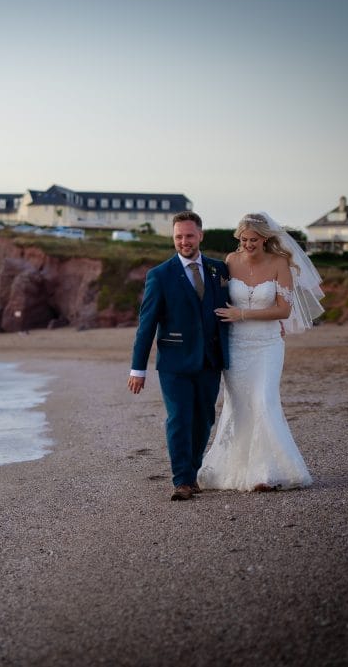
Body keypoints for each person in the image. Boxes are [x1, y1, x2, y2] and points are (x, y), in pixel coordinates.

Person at [198, 212, 325, 492]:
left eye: (253, 239)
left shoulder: (280, 263)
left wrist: (242, 313)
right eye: (243, 239)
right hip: (237, 346)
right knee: (238, 407)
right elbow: (219, 300)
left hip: (268, 344)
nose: (247, 244)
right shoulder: (231, 261)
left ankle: (267, 472)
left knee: (264, 400)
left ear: (265, 239)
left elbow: (284, 309)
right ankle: (235, 470)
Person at [128, 212, 231, 501]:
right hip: (174, 361)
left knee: (204, 419)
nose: (184, 241)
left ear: (200, 235)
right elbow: (146, 325)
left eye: (189, 235)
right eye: (178, 237)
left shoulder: (218, 270)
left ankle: (194, 471)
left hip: (210, 360)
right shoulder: (159, 275)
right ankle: (182, 480)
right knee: (179, 418)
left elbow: (233, 308)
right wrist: (138, 369)